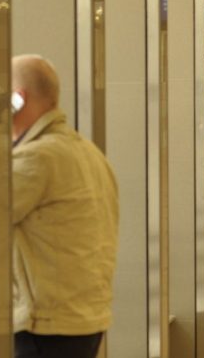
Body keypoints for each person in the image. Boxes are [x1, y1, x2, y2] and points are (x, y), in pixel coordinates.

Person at [11, 55, 119, 358]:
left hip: (45, 327)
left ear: (17, 100)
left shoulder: (36, 159)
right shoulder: (89, 153)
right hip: (84, 318)